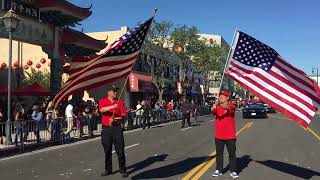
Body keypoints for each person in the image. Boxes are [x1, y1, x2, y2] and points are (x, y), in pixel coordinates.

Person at [99, 85, 128, 177]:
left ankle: (123, 169)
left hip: (117, 129)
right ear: (108, 92)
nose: (116, 93)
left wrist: (115, 120)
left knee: (120, 150)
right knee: (107, 150)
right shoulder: (102, 101)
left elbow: (123, 117)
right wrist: (112, 107)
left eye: (116, 91)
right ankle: (108, 169)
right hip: (106, 129)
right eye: (114, 91)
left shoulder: (120, 102)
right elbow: (102, 110)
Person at [211, 90, 239, 179]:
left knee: (232, 154)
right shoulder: (217, 106)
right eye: (220, 96)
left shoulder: (231, 105)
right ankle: (218, 170)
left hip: (230, 135)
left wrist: (218, 106)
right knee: (219, 153)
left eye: (223, 96)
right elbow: (214, 112)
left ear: (227, 97)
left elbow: (228, 109)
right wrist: (213, 108)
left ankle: (233, 171)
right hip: (219, 135)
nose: (220, 97)